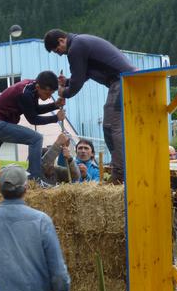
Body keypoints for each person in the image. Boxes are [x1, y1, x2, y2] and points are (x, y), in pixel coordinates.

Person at [44, 29, 136, 184]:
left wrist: (62, 92)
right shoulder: (81, 42)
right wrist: (67, 82)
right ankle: (122, 168)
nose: (59, 54)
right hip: (128, 78)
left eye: (57, 50)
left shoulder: (75, 48)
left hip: (122, 81)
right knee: (114, 126)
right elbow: (84, 74)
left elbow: (77, 83)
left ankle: (120, 173)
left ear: (61, 40)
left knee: (111, 127)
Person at [0, 71, 65, 199]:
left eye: (51, 94)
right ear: (38, 87)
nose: (48, 97)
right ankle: (35, 178)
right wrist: (55, 118)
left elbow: (34, 109)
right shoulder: (25, 93)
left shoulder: (31, 87)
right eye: (46, 93)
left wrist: (54, 105)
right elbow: (33, 119)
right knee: (36, 138)